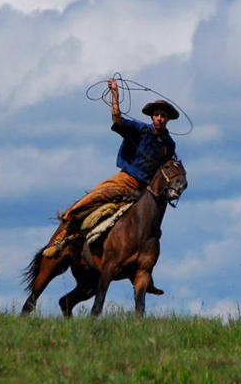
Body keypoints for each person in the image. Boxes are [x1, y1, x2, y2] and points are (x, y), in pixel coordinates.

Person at [42, 78, 179, 258]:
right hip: (125, 180)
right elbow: (117, 119)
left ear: (167, 119)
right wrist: (115, 94)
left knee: (153, 226)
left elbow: (166, 171)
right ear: (152, 117)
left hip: (146, 191)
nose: (160, 118)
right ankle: (63, 236)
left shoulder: (169, 145)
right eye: (157, 115)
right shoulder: (140, 130)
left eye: (163, 116)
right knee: (93, 198)